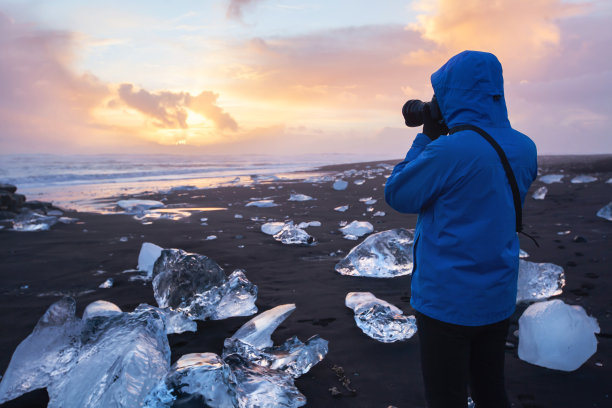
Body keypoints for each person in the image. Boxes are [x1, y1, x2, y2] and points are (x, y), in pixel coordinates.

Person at [384, 50, 537, 408]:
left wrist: (426, 137)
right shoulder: (525, 147)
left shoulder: (452, 151)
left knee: (445, 396)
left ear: (454, 94)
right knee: (489, 389)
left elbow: (399, 193)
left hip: (446, 301)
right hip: (497, 294)